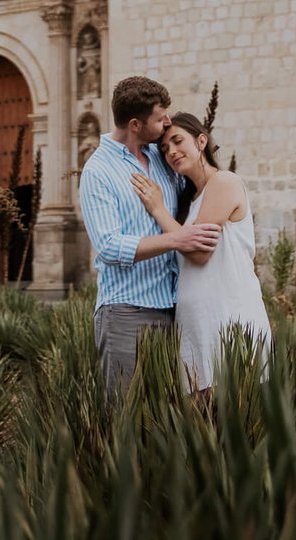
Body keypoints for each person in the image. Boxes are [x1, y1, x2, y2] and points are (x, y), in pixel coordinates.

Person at [79, 77, 222, 394]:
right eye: (160, 119)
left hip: (175, 312)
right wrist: (177, 240)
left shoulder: (162, 157)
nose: (168, 123)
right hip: (126, 315)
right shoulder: (98, 172)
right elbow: (109, 247)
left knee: (170, 423)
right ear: (134, 124)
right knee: (128, 423)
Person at [131, 112, 272, 394]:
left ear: (201, 141)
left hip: (228, 319)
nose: (171, 151)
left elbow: (197, 253)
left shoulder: (225, 182)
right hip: (196, 323)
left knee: (231, 419)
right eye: (164, 148)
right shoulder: (190, 199)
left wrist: (157, 209)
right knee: (204, 425)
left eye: (177, 141)